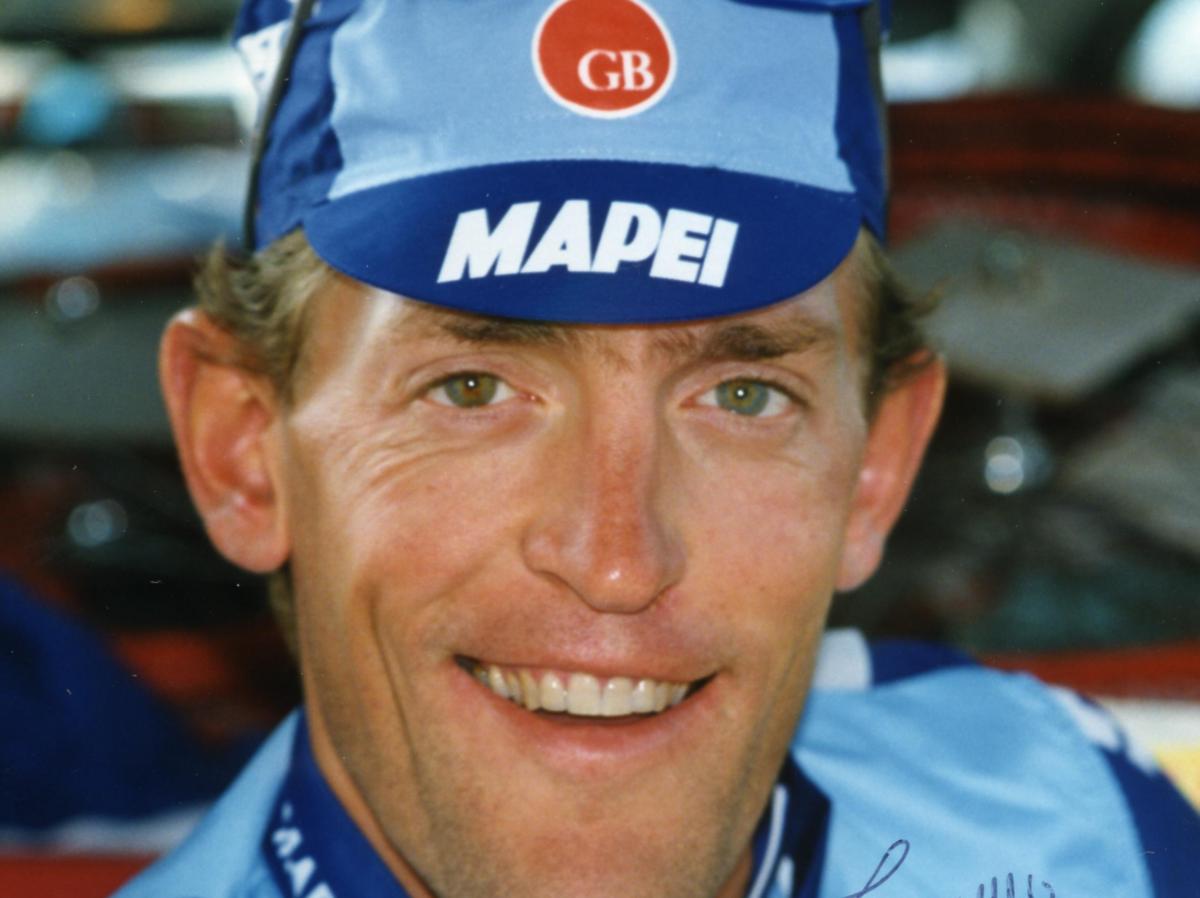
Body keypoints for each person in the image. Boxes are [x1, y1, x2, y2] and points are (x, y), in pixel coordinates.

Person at [116, 1, 1200, 896]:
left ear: (878, 465)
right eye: (470, 388)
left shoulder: (1079, 823)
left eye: (742, 395)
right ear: (243, 451)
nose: (617, 561)